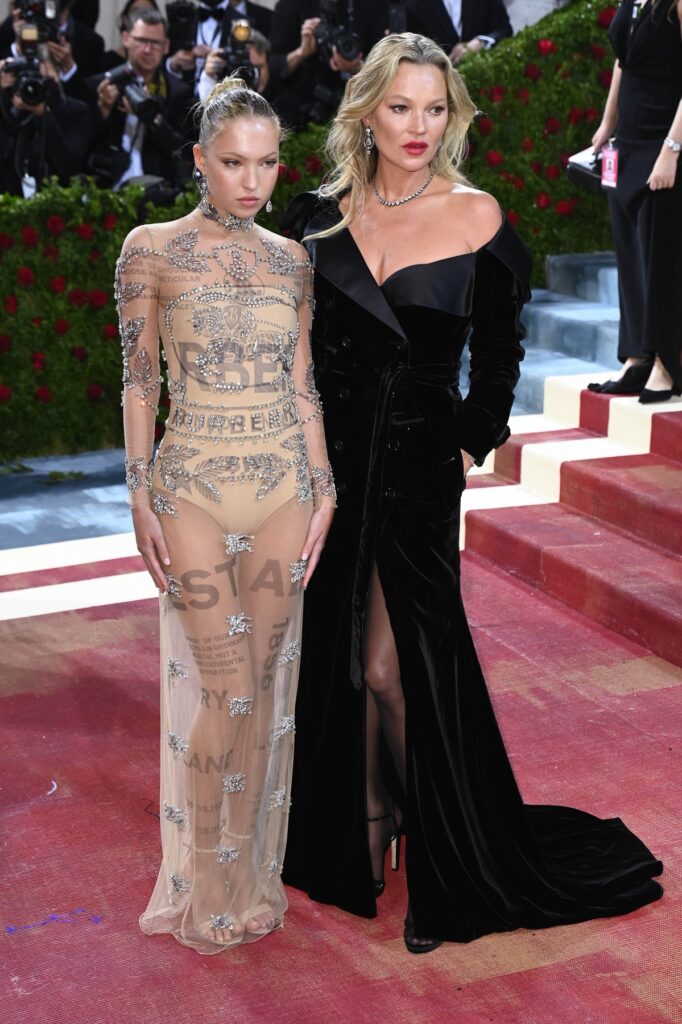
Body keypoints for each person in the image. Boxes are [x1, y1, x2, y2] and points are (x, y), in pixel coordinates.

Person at [280, 31, 664, 953]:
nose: (419, 126)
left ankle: (454, 851)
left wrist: (471, 436)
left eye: (435, 108)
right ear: (367, 111)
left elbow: (498, 352)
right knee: (338, 653)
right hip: (330, 469)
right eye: (400, 106)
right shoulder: (317, 217)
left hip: (418, 468)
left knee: (394, 665)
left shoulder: (477, 214)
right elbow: (291, 351)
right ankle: (369, 821)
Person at [115, 74, 335, 953]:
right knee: (231, 689)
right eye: (235, 162)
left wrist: (324, 485)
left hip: (283, 484)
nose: (254, 181)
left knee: (264, 687)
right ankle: (205, 870)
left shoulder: (292, 259)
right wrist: (139, 492)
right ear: (200, 160)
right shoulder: (150, 250)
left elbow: (303, 383)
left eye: (269, 163)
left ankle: (248, 875)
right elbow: (141, 382)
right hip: (192, 488)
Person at [588, 0, 682, 403]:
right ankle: (637, 356)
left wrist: (672, 150)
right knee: (630, 252)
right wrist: (607, 123)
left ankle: (665, 361)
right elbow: (621, 61)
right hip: (627, 141)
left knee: (661, 258)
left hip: (664, 140)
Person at [88, 9, 194, 189]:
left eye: (156, 43)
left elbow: (182, 151)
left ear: (166, 46)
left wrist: (152, 117)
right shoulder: (101, 85)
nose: (147, 50)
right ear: (126, 39)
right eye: (141, 41)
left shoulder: (178, 92)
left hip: (158, 188)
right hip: (106, 185)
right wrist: (103, 110)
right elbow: (83, 146)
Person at [267, 0, 390, 126]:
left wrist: (356, 67)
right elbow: (271, 67)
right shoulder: (291, 6)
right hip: (300, 107)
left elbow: (384, 68)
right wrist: (302, 52)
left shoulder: (372, 5)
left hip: (356, 104)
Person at [0, 46, 92, 195]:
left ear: (56, 73)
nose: (32, 81)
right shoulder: (7, 110)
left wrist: (43, 114)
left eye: (37, 71)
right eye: (25, 74)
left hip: (54, 201)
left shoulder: (76, 111)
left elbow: (69, 168)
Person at [406, 0, 512, 65]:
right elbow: (416, 54)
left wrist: (481, 42)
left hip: (489, 78)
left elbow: (504, 29)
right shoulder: (413, 5)